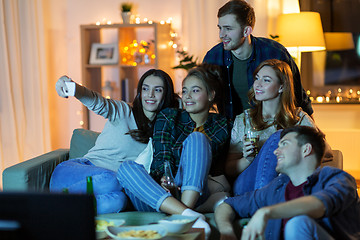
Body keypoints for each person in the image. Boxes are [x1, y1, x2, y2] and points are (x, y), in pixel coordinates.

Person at [117, 64, 231, 238]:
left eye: (195, 91)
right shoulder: (169, 115)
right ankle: (187, 215)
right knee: (126, 168)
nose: (188, 97)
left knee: (197, 139)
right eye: (185, 91)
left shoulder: (221, 125)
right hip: (159, 194)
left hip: (193, 189)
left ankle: (183, 213)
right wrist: (164, 177)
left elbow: (206, 161)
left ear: (211, 95)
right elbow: (161, 157)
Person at [49, 69, 179, 214]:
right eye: (145, 88)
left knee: (120, 201)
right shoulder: (123, 111)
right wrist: (72, 87)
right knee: (115, 180)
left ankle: (59, 212)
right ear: (140, 92)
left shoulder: (163, 133)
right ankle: (51, 202)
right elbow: (98, 103)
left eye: (158, 90)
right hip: (74, 173)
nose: (150, 94)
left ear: (166, 95)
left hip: (107, 188)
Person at [215, 125, 360, 240]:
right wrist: (227, 232)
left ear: (306, 149)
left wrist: (266, 212)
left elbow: (321, 204)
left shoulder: (336, 178)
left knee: (298, 224)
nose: (275, 152)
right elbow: (228, 204)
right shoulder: (277, 187)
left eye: (284, 144)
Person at [226, 59, 332, 196]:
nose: (257, 84)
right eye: (257, 78)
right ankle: (266, 200)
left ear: (282, 87)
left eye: (266, 80)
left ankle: (268, 204)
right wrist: (248, 159)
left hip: (284, 181)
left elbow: (326, 150)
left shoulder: (298, 118)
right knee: (279, 137)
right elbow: (229, 169)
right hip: (248, 184)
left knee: (283, 142)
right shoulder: (244, 120)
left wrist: (294, 153)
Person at [203, 0, 312, 120]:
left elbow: (299, 98)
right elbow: (203, 98)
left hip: (273, 128)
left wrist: (313, 134)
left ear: (246, 31)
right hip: (231, 131)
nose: (221, 34)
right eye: (220, 28)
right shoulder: (213, 57)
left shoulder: (275, 52)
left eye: (228, 29)